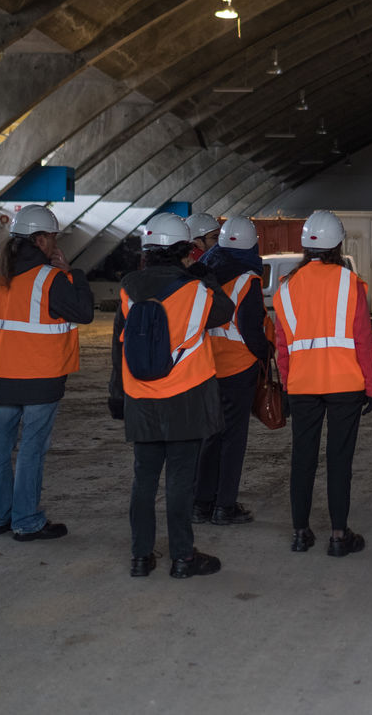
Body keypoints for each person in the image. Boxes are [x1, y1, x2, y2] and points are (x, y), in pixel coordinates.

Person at [109, 212, 235, 578]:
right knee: (180, 480)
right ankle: (182, 557)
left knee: (144, 479)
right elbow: (224, 312)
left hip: (140, 397)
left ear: (147, 250)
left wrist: (117, 394)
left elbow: (119, 347)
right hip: (185, 398)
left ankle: (140, 556)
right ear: (185, 251)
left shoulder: (128, 288)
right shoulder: (196, 290)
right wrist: (205, 275)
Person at [0, 204, 94, 542]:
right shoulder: (50, 278)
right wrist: (74, 274)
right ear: (40, 240)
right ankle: (26, 521)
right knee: (31, 449)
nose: (55, 244)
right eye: (53, 237)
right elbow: (84, 312)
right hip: (41, 377)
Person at [274, 210, 372, 557]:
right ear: (338, 245)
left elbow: (282, 346)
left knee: (302, 458)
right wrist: (370, 386)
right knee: (339, 460)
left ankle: (300, 533)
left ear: (306, 246)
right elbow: (363, 339)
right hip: (345, 383)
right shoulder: (351, 283)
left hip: (302, 384)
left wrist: (286, 386)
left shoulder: (286, 288)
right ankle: (338, 535)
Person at [191, 216, 271, 526]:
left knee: (211, 436)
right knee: (233, 439)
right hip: (238, 366)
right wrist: (265, 354)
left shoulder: (205, 272)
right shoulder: (247, 280)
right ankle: (225, 506)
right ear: (252, 245)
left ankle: (201, 503)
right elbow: (251, 329)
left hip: (208, 364)